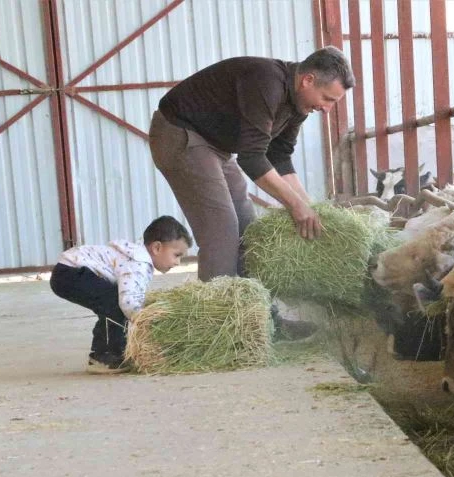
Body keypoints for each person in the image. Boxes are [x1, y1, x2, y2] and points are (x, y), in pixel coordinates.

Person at [148, 46, 355, 282]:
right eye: (327, 99)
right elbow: (252, 158)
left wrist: (310, 207)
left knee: (248, 227)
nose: (327, 109)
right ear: (308, 80)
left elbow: (279, 155)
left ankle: (256, 305)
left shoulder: (299, 104)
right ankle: (219, 311)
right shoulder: (267, 81)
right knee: (222, 228)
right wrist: (296, 206)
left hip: (217, 147)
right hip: (180, 133)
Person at [49, 216, 193, 374]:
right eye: (177, 255)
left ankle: (115, 351)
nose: (178, 262)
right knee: (115, 305)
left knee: (112, 302)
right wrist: (145, 319)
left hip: (68, 271)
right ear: (157, 248)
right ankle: (103, 356)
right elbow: (129, 301)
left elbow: (133, 292)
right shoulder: (138, 263)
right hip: (70, 273)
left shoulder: (137, 258)